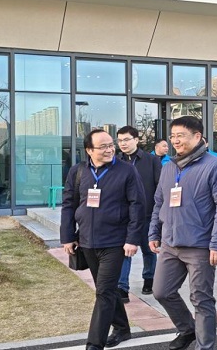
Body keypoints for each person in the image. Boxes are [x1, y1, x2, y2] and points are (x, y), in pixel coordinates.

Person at [149, 116, 217, 350]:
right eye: (173, 136)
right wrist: (153, 232)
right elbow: (159, 202)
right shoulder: (168, 167)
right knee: (161, 291)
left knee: (201, 299)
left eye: (181, 135)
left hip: (199, 246)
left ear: (198, 136)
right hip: (170, 244)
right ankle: (187, 329)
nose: (175, 140)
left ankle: (204, 346)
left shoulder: (215, 166)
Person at [60, 129, 145, 350]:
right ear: (89, 150)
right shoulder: (78, 171)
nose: (109, 150)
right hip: (87, 241)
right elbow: (69, 204)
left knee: (104, 292)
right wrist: (68, 236)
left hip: (115, 242)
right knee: (107, 289)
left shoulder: (127, 171)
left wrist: (132, 238)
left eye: (111, 145)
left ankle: (94, 345)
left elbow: (137, 205)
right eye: (103, 146)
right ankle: (122, 328)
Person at [116, 126, 162, 302]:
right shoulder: (116, 161)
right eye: (120, 140)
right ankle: (122, 287)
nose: (123, 144)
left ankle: (149, 279)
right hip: (124, 216)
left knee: (148, 250)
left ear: (136, 140)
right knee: (124, 251)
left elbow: (160, 188)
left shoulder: (152, 160)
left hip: (147, 214)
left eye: (126, 140)